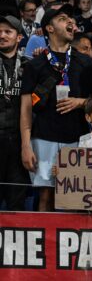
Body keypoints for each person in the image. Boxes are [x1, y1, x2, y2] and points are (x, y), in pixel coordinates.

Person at [20, 4, 92, 211]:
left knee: (73, 199)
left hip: (77, 137)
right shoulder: (34, 65)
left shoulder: (85, 62)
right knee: (45, 198)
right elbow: (26, 110)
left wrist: (80, 102)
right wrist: (26, 145)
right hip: (43, 138)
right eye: (63, 18)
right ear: (49, 28)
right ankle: (45, 242)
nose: (70, 22)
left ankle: (69, 243)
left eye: (71, 19)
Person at [0, 15, 29, 211]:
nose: (2, 35)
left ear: (19, 37)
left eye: (7, 32)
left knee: (16, 199)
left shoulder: (30, 66)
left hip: (20, 141)